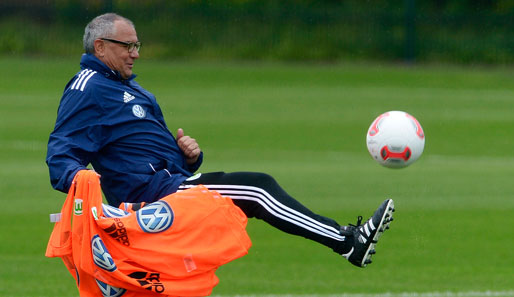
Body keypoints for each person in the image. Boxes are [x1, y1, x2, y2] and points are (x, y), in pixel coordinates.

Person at [46, 13, 394, 269]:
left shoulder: (133, 89)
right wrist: (85, 189)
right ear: (100, 46)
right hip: (150, 201)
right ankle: (349, 242)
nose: (136, 53)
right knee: (259, 189)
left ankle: (349, 242)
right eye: (128, 46)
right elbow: (61, 156)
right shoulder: (87, 87)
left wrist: (189, 157)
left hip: (173, 186)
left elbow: (155, 154)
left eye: (138, 45)